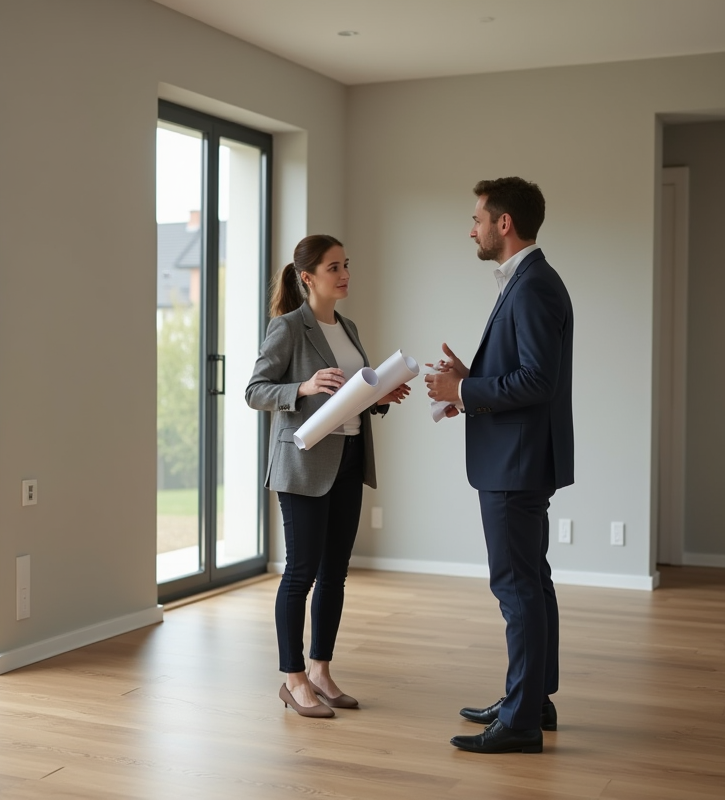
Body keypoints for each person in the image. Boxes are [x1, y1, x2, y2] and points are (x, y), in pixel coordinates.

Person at [425, 177, 574, 754]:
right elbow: (526, 371)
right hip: (520, 457)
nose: (473, 228)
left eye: (477, 218)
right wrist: (470, 378)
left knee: (516, 587)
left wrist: (465, 391)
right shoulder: (529, 280)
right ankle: (530, 698)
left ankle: (520, 721)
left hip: (515, 463)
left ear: (503, 223)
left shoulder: (533, 284)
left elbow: (538, 380)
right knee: (532, 580)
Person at [246, 234, 410, 718]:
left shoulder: (349, 326)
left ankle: (320, 670)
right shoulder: (288, 327)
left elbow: (349, 396)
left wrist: (377, 398)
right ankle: (293, 679)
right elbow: (256, 390)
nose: (344, 275)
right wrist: (303, 386)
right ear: (307, 277)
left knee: (335, 574)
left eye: (346, 265)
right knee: (301, 572)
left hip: (349, 458)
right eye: (334, 267)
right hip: (303, 465)